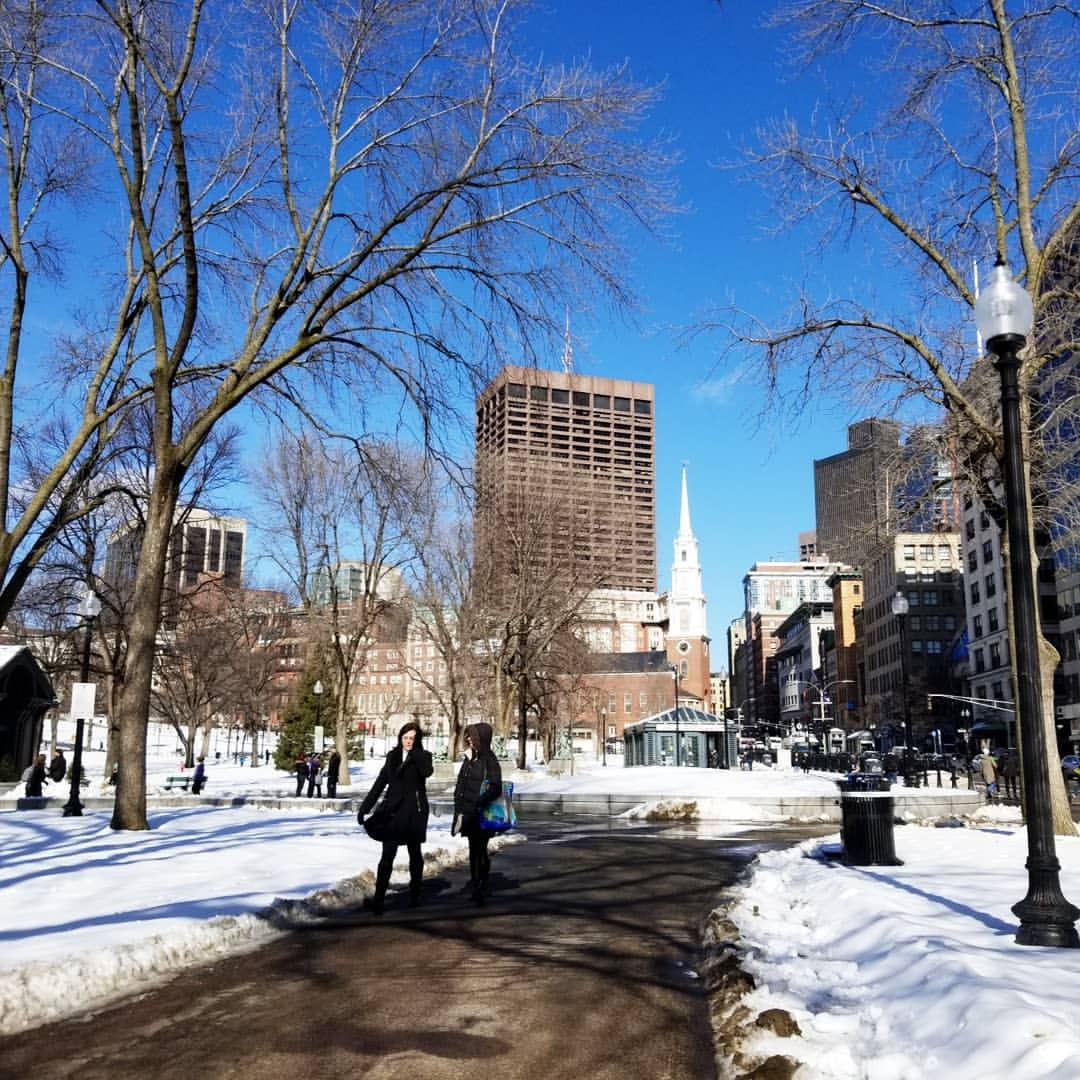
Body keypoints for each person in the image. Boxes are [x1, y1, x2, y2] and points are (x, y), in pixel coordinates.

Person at [357, 721, 433, 914]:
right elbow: (380, 782)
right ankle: (379, 900)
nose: (408, 741)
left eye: (412, 739)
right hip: (393, 812)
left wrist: (415, 754)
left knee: (414, 853)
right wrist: (365, 807)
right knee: (387, 856)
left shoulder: (423, 756)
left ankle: (415, 895)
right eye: (406, 738)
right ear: (400, 738)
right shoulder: (392, 757)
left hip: (414, 812)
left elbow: (427, 772)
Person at [452, 722, 502, 906]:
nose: (469, 739)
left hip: (484, 813)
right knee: (474, 849)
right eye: (468, 736)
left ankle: (480, 884)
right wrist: (459, 805)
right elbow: (461, 784)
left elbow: (496, 787)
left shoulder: (490, 759)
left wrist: (480, 801)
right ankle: (476, 885)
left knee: (480, 848)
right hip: (469, 813)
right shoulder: (468, 759)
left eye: (472, 736)